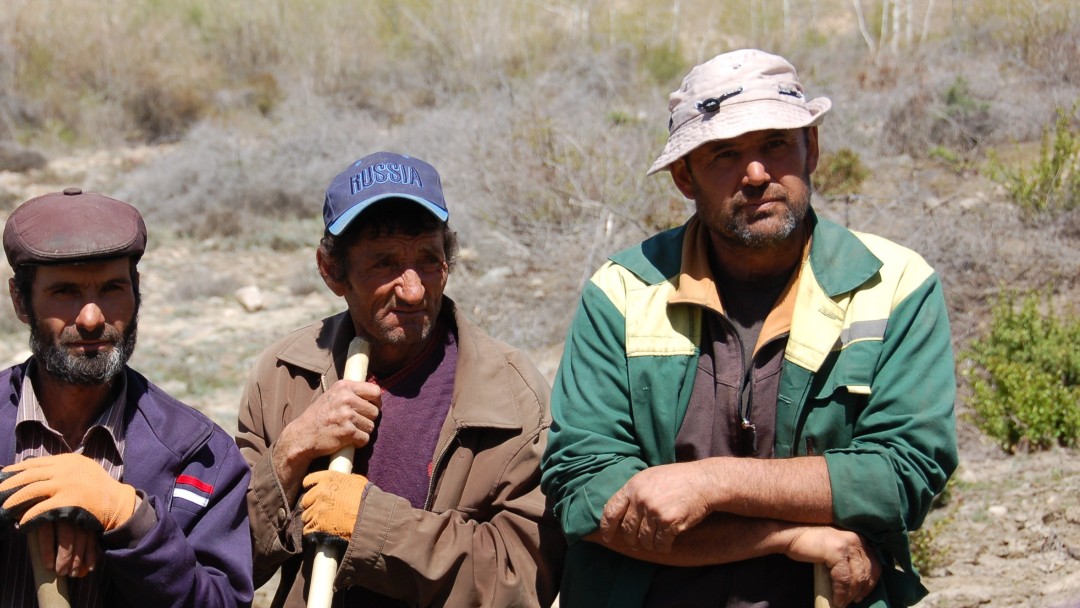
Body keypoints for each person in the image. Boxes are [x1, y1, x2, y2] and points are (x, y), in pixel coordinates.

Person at [540, 49, 958, 608]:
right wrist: (788, 536)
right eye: (725, 153)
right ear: (685, 177)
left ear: (812, 148)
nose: (757, 173)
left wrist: (712, 483)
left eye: (776, 144)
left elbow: (902, 477)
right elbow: (585, 495)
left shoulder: (896, 284)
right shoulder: (622, 292)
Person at [236, 151, 564, 607]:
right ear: (332, 271)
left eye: (428, 260)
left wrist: (372, 527)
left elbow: (522, 580)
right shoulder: (285, 376)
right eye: (385, 263)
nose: (412, 290)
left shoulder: (509, 394)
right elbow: (229, 559)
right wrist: (291, 454)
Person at [0, 189, 253, 607]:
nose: (91, 317)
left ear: (137, 292)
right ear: (20, 301)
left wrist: (131, 521)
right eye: (64, 292)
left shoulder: (199, 455)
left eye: (112, 288)